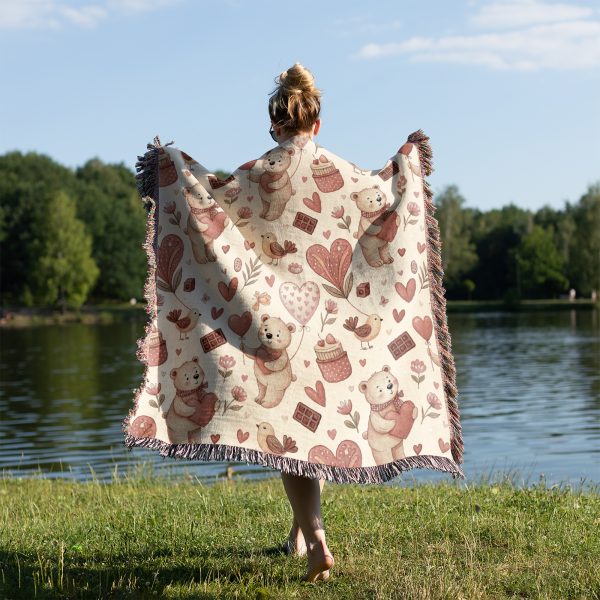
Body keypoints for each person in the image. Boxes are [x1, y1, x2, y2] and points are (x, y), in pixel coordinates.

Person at [267, 62, 333, 583]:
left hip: (277, 319)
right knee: (310, 429)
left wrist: (172, 167)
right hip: (326, 318)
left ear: (275, 125)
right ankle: (296, 536)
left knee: (290, 436)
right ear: (317, 123)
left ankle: (316, 542)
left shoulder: (260, 171)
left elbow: (212, 205)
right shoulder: (339, 173)